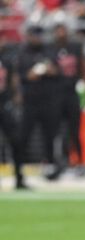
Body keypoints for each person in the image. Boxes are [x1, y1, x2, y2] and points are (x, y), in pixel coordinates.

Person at [16, 25, 62, 181]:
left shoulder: (49, 50)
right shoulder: (22, 53)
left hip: (48, 100)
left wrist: (50, 70)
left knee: (49, 135)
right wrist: (31, 75)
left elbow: (58, 72)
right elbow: (20, 76)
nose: (37, 38)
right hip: (30, 101)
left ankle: (51, 167)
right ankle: (19, 167)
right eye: (34, 35)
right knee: (24, 136)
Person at [52, 23, 85, 170]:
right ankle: (59, 162)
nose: (61, 34)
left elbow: (83, 68)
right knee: (57, 130)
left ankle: (79, 161)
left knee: (75, 129)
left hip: (72, 93)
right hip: (56, 95)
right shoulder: (51, 49)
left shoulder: (75, 47)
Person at [0, 33, 25, 189]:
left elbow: (14, 79)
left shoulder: (7, 60)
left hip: (4, 103)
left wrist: (16, 96)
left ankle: (19, 178)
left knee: (16, 140)